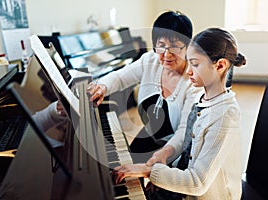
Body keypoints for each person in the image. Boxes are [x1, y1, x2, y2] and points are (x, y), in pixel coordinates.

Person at [112, 27, 247, 200]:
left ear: (220, 65)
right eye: (188, 62)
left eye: (195, 64)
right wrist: (165, 166)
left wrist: (150, 172)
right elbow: (187, 152)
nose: (188, 71)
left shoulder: (225, 116)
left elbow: (197, 183)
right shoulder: (203, 100)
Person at [87, 11, 198, 164]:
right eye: (161, 46)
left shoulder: (194, 82)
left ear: (187, 46)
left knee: (158, 183)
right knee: (124, 169)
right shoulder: (150, 60)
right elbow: (120, 77)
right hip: (151, 134)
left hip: (179, 147)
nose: (167, 54)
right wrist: (102, 86)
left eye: (175, 47)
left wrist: (162, 162)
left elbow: (183, 133)